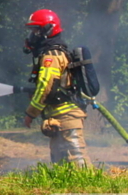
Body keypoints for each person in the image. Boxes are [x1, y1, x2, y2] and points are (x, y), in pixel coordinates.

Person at [21, 9, 90, 167]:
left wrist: (30, 114)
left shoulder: (51, 56)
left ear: (48, 30)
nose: (33, 35)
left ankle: (89, 187)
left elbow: (47, 87)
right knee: (61, 162)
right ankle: (67, 190)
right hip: (58, 117)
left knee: (77, 159)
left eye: (36, 30)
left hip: (66, 116)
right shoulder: (54, 52)